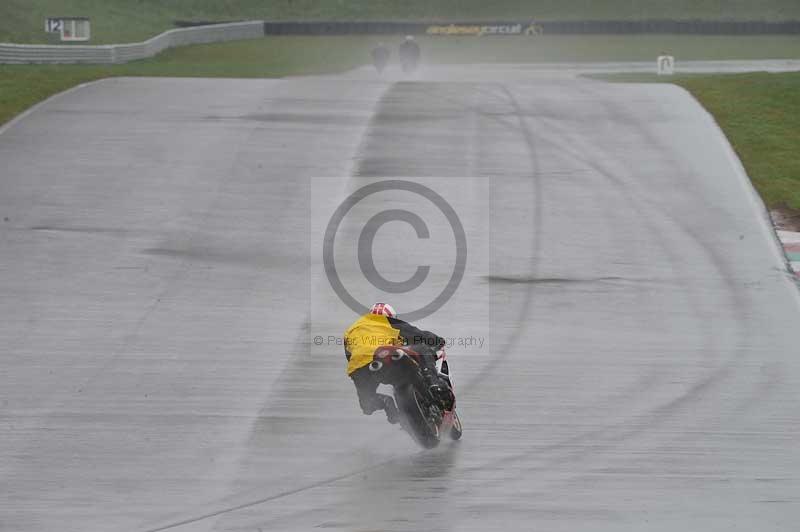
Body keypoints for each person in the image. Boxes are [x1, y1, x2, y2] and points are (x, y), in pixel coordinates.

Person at [343, 302, 453, 424]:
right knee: (422, 348)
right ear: (390, 316)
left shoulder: (351, 329)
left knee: (367, 404)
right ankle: (434, 384)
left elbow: (349, 354)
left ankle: (386, 402)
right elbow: (417, 335)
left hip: (359, 367)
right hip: (384, 357)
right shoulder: (387, 321)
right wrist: (437, 340)